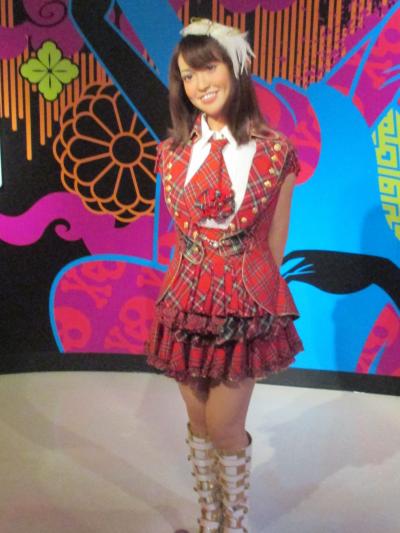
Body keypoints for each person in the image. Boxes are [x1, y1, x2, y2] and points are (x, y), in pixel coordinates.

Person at [144, 17, 304, 533]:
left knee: (224, 426)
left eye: (208, 68)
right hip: (186, 302)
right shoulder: (171, 154)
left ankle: (234, 526)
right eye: (188, 75)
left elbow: (275, 241)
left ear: (235, 69)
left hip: (243, 304)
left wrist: (256, 295)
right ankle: (209, 519)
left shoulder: (275, 152)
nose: (199, 84)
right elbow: (179, 237)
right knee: (197, 423)